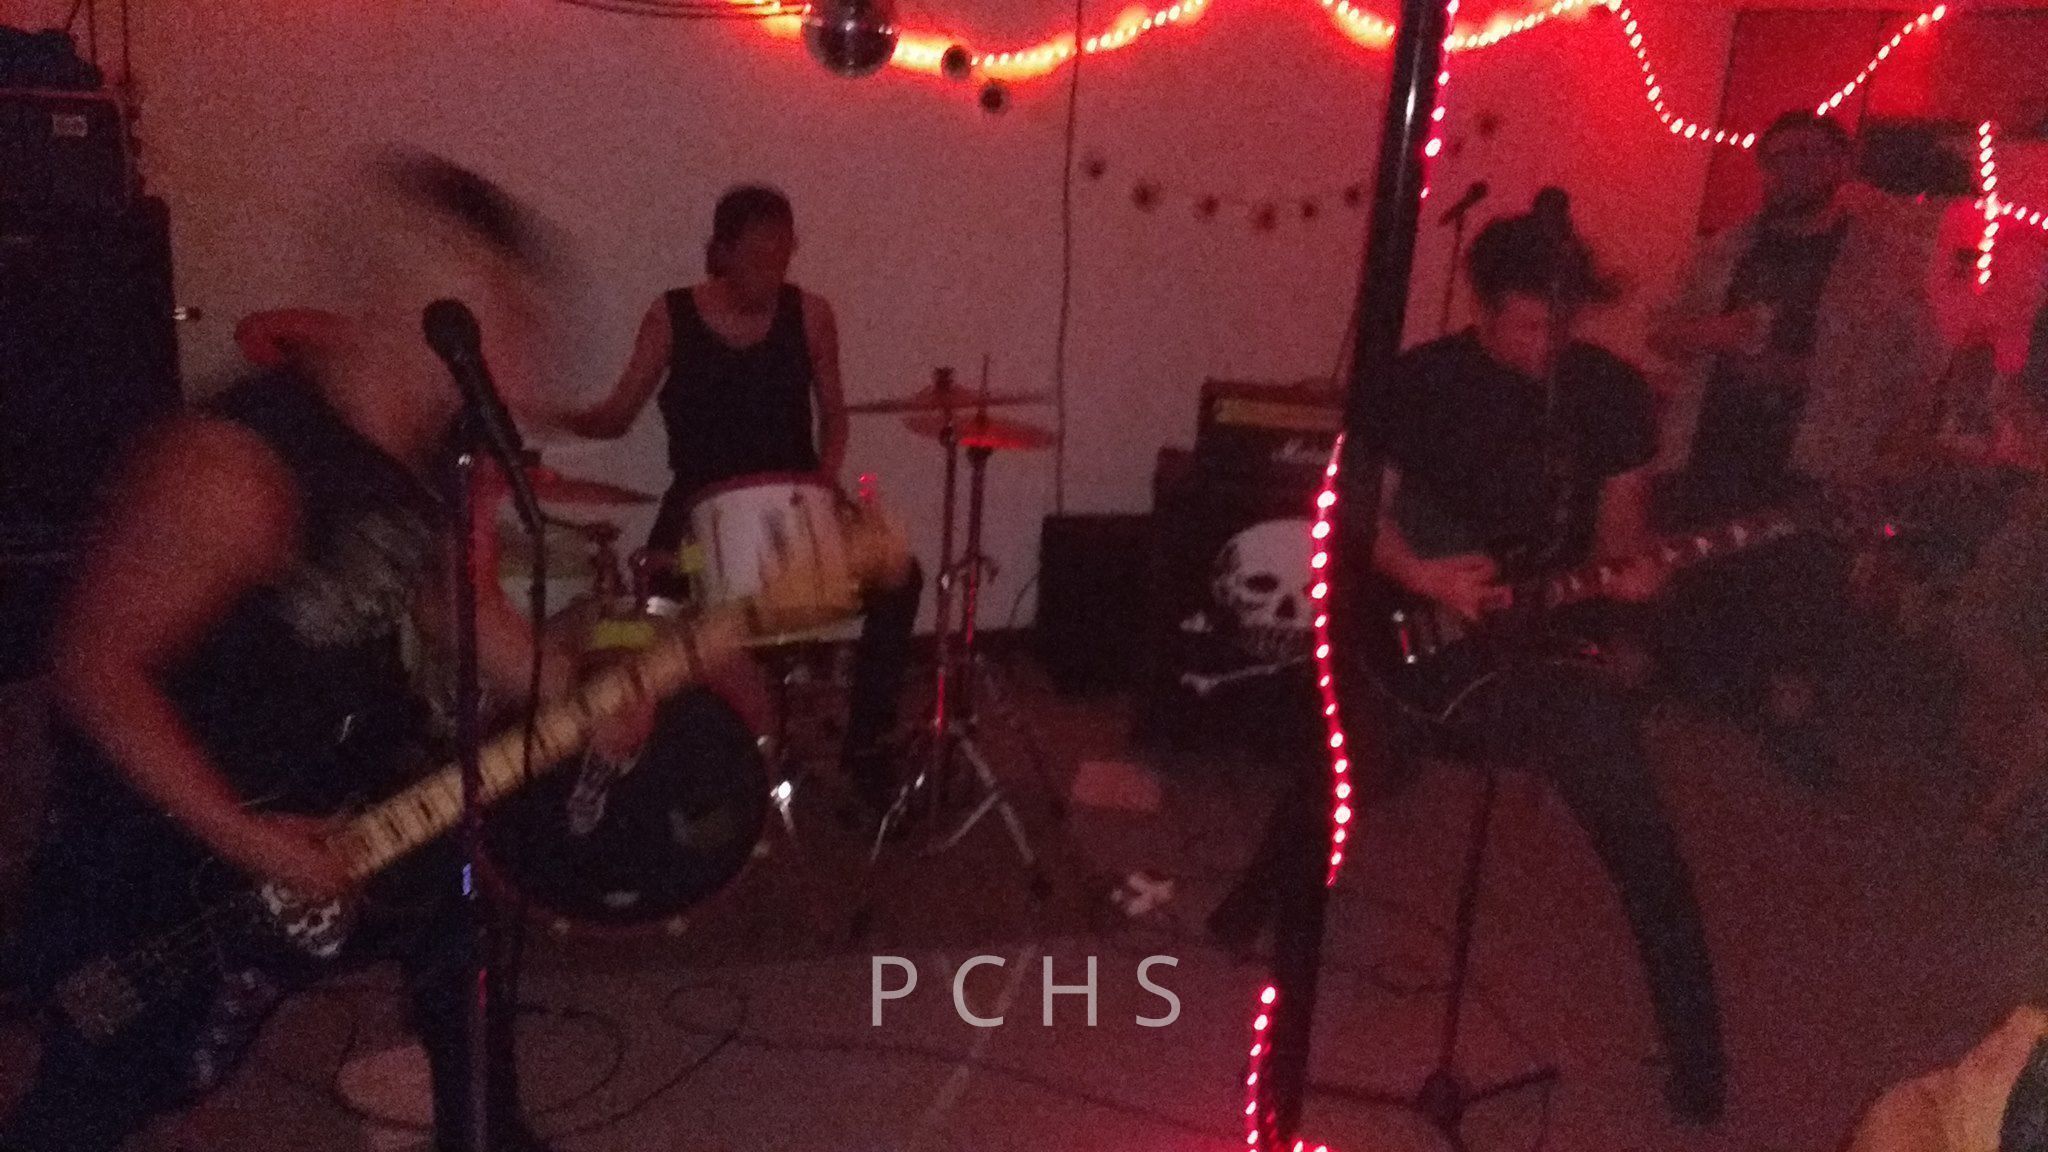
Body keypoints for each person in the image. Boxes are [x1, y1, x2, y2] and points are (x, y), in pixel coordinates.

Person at [0, 153, 637, 1152]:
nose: (526, 356)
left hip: (325, 800)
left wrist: (580, 694)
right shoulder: (237, 465)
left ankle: (487, 1132)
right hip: (172, 848)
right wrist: (245, 838)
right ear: (431, 311)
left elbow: (454, 608)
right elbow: (91, 667)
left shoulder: (427, 456)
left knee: (454, 923)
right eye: (507, 321)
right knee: (113, 1092)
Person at [1210, 195, 1726, 1124]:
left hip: (1548, 642)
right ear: (1483, 308)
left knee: (1638, 826)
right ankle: (1249, 905)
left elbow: (1620, 534)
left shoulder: (1609, 392)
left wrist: (1635, 575)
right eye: (1527, 325)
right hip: (1413, 626)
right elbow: (1349, 509)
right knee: (1341, 772)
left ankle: (1700, 1059)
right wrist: (1421, 574)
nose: (1547, 345)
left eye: (1560, 325)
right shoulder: (1419, 381)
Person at [549, 184, 921, 815]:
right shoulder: (671, 316)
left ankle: (867, 747)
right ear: (718, 253)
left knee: (900, 577)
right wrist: (555, 418)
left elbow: (834, 415)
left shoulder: (812, 315)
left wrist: (825, 479)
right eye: (754, 259)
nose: (769, 275)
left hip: (795, 504)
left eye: (782, 257)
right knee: (650, 618)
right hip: (698, 514)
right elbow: (618, 416)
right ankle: (687, 762)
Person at [1648, 110, 1948, 782]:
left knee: (1804, 590)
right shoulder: (1727, 249)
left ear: (1839, 163)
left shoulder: (1881, 260)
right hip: (1717, 443)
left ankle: (1790, 720)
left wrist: (1859, 419)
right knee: (1705, 571)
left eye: (1811, 155)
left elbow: (1918, 362)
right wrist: (1719, 333)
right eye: (1780, 157)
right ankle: (1700, 692)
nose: (1794, 170)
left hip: (1822, 450)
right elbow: (1661, 330)